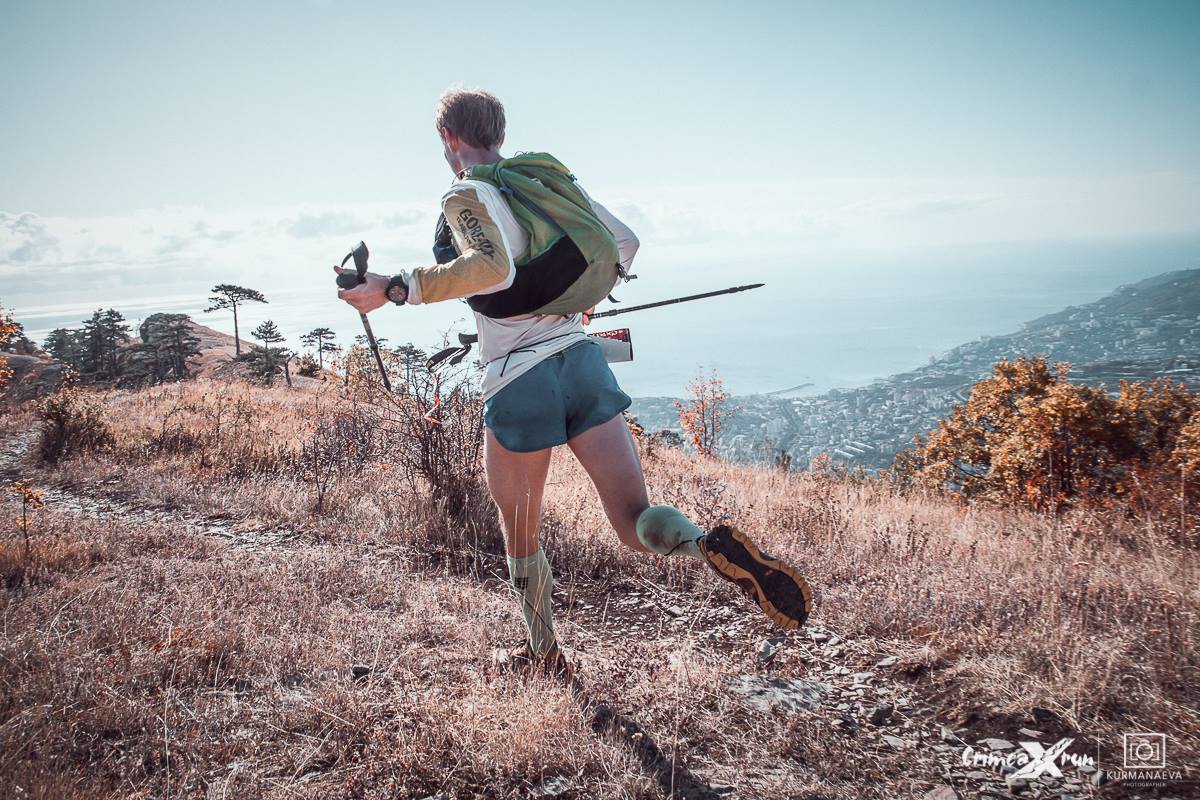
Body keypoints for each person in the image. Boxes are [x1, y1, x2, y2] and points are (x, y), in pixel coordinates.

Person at [337, 87, 813, 676]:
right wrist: (577, 298)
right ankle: (703, 546)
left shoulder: (465, 191)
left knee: (521, 532)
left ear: (449, 138)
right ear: (501, 134)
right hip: (583, 365)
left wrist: (396, 287)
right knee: (634, 520)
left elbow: (490, 268)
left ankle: (544, 652)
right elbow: (624, 243)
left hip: (518, 380)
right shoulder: (546, 183)